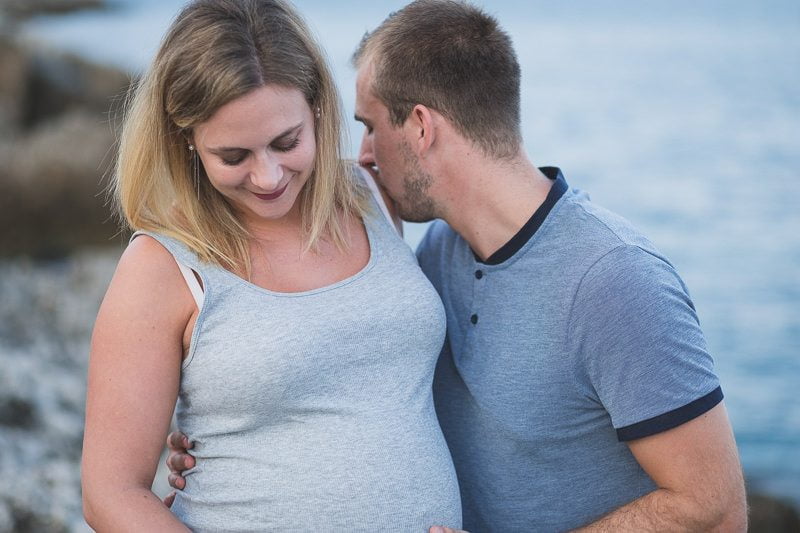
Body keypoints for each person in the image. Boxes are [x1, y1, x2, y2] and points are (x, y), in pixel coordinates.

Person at [162, 0, 748, 531]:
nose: (360, 155)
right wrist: (225, 437)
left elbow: (715, 508)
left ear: (420, 127)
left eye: (368, 127)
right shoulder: (438, 252)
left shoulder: (614, 280)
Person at [80, 0, 463, 531]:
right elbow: (110, 494)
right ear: (185, 140)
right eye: (234, 156)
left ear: (318, 109)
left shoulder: (374, 198)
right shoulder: (161, 265)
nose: (268, 177)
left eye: (287, 142)